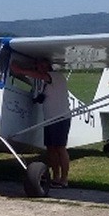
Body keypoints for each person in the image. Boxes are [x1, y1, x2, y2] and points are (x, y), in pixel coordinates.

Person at [10, 58, 71, 187]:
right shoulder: (44, 82)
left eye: (42, 64)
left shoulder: (55, 76)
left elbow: (41, 75)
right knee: (51, 149)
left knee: (60, 148)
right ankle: (56, 177)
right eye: (38, 65)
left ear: (49, 65)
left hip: (60, 118)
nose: (40, 67)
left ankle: (64, 179)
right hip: (48, 119)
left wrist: (19, 70)